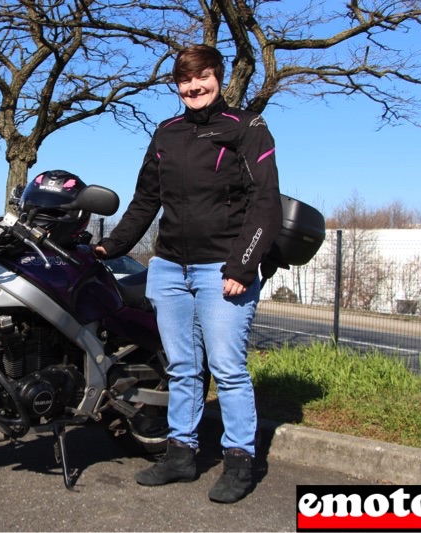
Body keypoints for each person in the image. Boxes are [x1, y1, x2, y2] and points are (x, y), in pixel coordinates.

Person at [95, 44, 282, 504]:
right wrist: (110, 247)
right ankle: (181, 455)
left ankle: (240, 460)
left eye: (201, 78)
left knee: (227, 368)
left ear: (218, 77)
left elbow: (265, 203)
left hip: (223, 270)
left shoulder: (247, 128)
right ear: (176, 85)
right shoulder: (166, 132)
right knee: (182, 367)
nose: (193, 87)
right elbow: (145, 201)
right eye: (184, 81)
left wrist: (243, 265)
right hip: (168, 269)